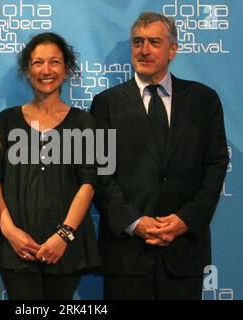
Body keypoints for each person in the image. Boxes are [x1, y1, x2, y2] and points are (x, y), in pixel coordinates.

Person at [90, 12, 229, 300]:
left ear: (173, 49)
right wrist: (135, 222)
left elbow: (216, 165)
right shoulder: (106, 104)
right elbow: (99, 172)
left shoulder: (204, 100)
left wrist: (185, 219)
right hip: (126, 254)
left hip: (183, 252)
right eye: (138, 42)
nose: (144, 49)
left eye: (154, 41)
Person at [0, 32, 100, 300]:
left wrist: (63, 235)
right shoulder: (6, 120)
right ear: (27, 70)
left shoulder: (86, 122)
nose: (46, 70)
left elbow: (90, 183)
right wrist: (9, 231)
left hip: (66, 249)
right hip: (16, 249)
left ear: (66, 69)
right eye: (38, 63)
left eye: (55, 62)